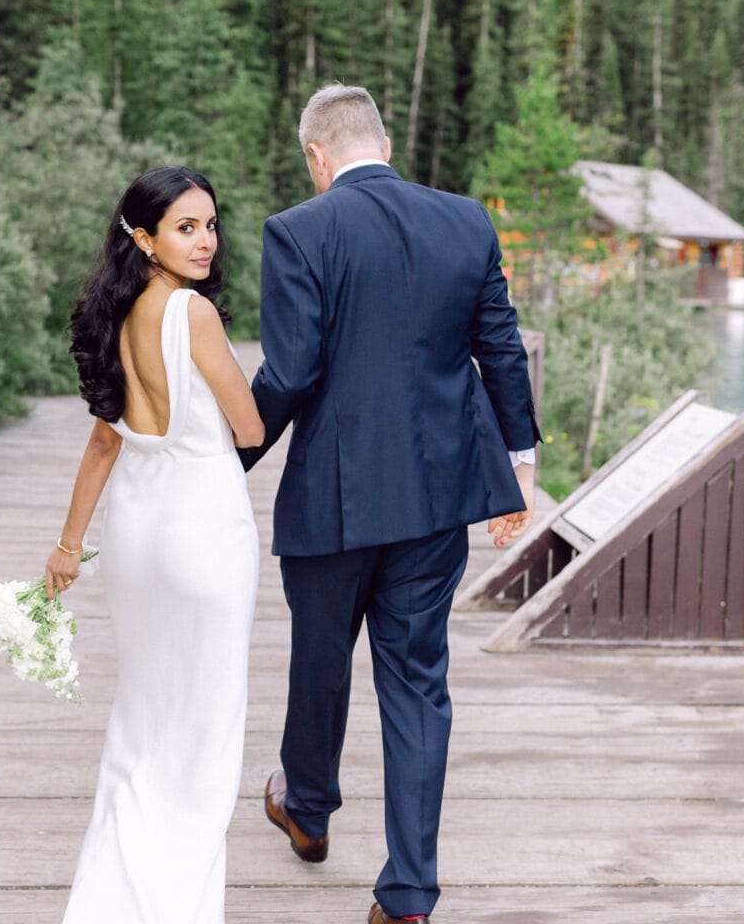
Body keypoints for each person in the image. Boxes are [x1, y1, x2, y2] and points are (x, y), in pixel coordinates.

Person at [239, 85, 540, 923]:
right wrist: (519, 463)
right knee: (417, 684)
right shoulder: (465, 222)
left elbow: (289, 374)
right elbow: (500, 347)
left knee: (320, 659)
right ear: (384, 139)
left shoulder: (300, 232)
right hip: (439, 494)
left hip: (334, 501)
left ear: (317, 155)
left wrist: (227, 461)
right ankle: (407, 894)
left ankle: (307, 809)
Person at [43, 166, 264, 923]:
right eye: (185, 227)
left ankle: (109, 901)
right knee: (204, 734)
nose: (205, 241)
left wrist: (67, 547)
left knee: (141, 720)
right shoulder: (192, 315)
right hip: (202, 533)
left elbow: (105, 443)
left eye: (210, 225)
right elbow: (249, 427)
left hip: (134, 538)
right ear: (145, 237)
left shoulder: (115, 315)